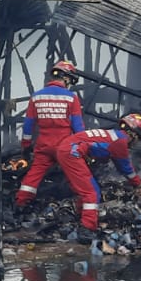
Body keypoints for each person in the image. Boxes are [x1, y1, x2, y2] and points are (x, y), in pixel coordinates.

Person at [57, 114, 141, 242]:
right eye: (138, 138)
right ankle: (86, 230)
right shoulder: (120, 142)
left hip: (67, 150)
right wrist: (140, 186)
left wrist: (140, 185)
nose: (136, 142)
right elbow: (126, 169)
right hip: (72, 153)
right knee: (92, 193)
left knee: (87, 189)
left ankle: (81, 216)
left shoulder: (114, 135)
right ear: (132, 134)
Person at [15, 60, 85, 207]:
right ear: (66, 78)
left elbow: (28, 126)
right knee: (75, 174)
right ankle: (82, 204)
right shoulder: (71, 98)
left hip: (44, 145)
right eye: (70, 80)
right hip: (64, 146)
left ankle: (21, 202)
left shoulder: (36, 97)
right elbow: (78, 127)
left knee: (33, 176)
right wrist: (84, 148)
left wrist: (26, 147)